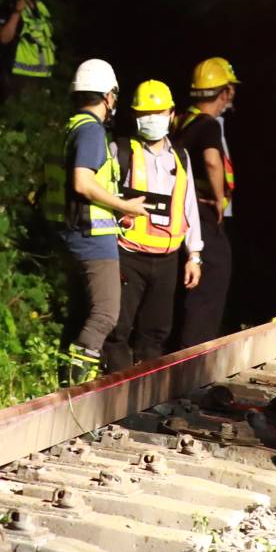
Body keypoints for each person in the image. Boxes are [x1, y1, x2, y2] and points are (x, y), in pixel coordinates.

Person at [61, 56, 149, 383]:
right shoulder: (91, 133)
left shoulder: (73, 127)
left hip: (77, 233)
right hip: (91, 241)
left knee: (80, 316)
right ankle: (78, 388)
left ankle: (63, 384)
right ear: (109, 96)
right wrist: (125, 206)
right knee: (105, 315)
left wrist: (114, 211)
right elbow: (83, 183)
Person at [108, 79, 202, 372]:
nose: (152, 118)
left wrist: (194, 255)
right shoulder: (120, 151)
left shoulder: (181, 158)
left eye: (159, 111)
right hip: (128, 256)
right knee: (117, 331)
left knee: (156, 333)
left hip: (167, 261)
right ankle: (114, 391)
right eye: (145, 112)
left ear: (172, 114)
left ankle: (145, 395)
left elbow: (190, 208)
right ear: (135, 116)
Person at [175, 57, 240, 348]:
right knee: (212, 278)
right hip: (202, 210)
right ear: (224, 92)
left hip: (180, 212)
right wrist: (218, 199)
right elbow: (212, 161)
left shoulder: (180, 122)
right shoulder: (208, 125)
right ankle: (197, 355)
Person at [0, 0, 56, 100]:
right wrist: (16, 12)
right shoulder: (10, 4)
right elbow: (3, 38)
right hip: (18, 77)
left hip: (41, 76)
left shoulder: (41, 7)